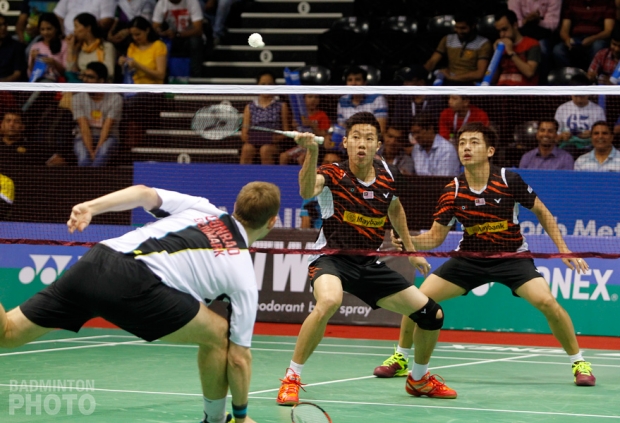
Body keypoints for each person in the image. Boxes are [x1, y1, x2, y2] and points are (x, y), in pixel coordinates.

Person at [0, 181, 281, 423]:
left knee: (8, 333)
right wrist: (242, 416)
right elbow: (239, 359)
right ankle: (216, 419)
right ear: (272, 221)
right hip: (137, 284)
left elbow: (143, 193)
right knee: (220, 336)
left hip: (97, 260)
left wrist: (91, 207)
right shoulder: (243, 274)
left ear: (235, 206)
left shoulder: (202, 208)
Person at [373, 122, 596, 388]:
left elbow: (542, 212)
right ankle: (401, 357)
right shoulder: (453, 190)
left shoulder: (508, 180)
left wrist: (563, 249)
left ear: (490, 151)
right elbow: (435, 237)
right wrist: (408, 240)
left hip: (511, 257)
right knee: (418, 301)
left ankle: (579, 362)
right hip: (469, 259)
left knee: (547, 302)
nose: (466, 147)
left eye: (474, 142)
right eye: (462, 143)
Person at [276, 112, 457, 406]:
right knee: (329, 301)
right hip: (331, 259)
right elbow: (307, 189)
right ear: (346, 143)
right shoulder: (333, 174)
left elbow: (395, 209)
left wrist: (410, 250)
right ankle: (292, 378)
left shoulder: (388, 176)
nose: (362, 143)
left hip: (368, 264)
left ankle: (419, 379)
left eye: (369, 138)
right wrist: (311, 152)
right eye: (356, 137)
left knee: (431, 314)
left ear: (377, 145)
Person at [72, 62, 123, 166]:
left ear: (101, 81)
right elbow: (84, 128)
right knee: (84, 158)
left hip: (109, 137)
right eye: (84, 76)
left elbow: (107, 128)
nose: (85, 80)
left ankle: (94, 176)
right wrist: (91, 152)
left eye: (90, 77)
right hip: (83, 136)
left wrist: (97, 151)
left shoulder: (115, 99)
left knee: (101, 155)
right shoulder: (77, 98)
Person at [424, 13, 492, 85]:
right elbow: (432, 61)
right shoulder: (447, 39)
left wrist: (453, 78)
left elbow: (480, 73)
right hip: (448, 80)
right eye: (456, 27)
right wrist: (421, 75)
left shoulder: (483, 43)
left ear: (473, 26)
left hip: (469, 82)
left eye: (463, 28)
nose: (459, 31)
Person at [240, 72, 291, 165]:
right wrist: (256, 138)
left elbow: (286, 132)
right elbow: (244, 134)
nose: (266, 87)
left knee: (265, 150)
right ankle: (242, 174)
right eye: (263, 84)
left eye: (270, 84)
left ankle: (269, 174)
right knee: (247, 149)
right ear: (257, 86)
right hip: (254, 141)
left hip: (274, 144)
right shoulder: (249, 107)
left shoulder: (282, 105)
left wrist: (275, 138)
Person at [553, 0, 615, 69]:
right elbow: (564, 30)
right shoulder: (571, 2)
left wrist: (592, 39)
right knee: (558, 50)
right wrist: (567, 39)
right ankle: (569, 74)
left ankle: (591, 74)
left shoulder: (606, 2)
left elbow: (608, 31)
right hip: (576, 38)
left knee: (597, 46)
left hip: (597, 38)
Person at [152, 0, 206, 78]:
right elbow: (155, 26)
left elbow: (198, 30)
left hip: (188, 37)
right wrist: (163, 32)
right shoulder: (162, 3)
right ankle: (164, 74)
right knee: (158, 42)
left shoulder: (192, 2)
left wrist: (177, 34)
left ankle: (196, 75)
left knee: (195, 42)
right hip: (171, 38)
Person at [554, 76, 606, 155]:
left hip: (590, 148)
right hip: (568, 148)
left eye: (582, 96)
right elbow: (555, 137)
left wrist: (592, 134)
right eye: (576, 96)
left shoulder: (598, 110)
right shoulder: (562, 109)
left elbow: (603, 134)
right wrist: (562, 136)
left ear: (588, 92)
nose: (579, 100)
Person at [493, 9, 541, 86]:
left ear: (515, 25)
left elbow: (529, 72)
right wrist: (496, 55)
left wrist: (511, 52)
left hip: (521, 90)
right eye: (499, 31)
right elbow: (492, 80)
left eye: (504, 29)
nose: (501, 35)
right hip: (501, 90)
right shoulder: (500, 47)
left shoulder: (532, 44)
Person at [280, 94, 331, 165]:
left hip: (315, 146)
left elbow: (324, 135)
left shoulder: (322, 115)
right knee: (283, 156)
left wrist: (313, 126)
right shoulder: (298, 116)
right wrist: (294, 127)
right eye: (310, 97)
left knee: (302, 158)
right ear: (303, 100)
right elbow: (295, 135)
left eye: (316, 97)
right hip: (301, 146)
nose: (313, 100)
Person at [337, 66, 388, 135]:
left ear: (365, 83)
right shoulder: (342, 101)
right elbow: (342, 127)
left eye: (357, 79)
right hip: (350, 139)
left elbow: (381, 130)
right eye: (350, 80)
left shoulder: (377, 99)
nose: (353, 83)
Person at [392, 65, 444, 130]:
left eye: (409, 81)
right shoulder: (402, 99)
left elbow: (437, 125)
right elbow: (396, 125)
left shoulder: (435, 100)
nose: (405, 83)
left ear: (421, 82)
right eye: (405, 81)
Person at [65, 13, 116, 81]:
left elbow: (110, 73)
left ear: (88, 28)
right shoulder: (80, 49)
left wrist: (88, 75)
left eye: (76, 26)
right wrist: (70, 48)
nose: (74, 30)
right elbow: (70, 71)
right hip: (83, 83)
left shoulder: (107, 47)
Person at [27, 13, 68, 82]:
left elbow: (66, 72)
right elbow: (30, 74)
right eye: (42, 29)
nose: (45, 32)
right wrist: (33, 60)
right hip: (38, 82)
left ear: (56, 28)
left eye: (49, 29)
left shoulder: (64, 45)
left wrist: (54, 63)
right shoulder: (35, 46)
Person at [0, 14, 27, 83]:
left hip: (9, 86)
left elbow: (17, 74)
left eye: (4, 24)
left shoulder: (16, 46)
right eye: (0, 25)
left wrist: (2, 83)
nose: (3, 28)